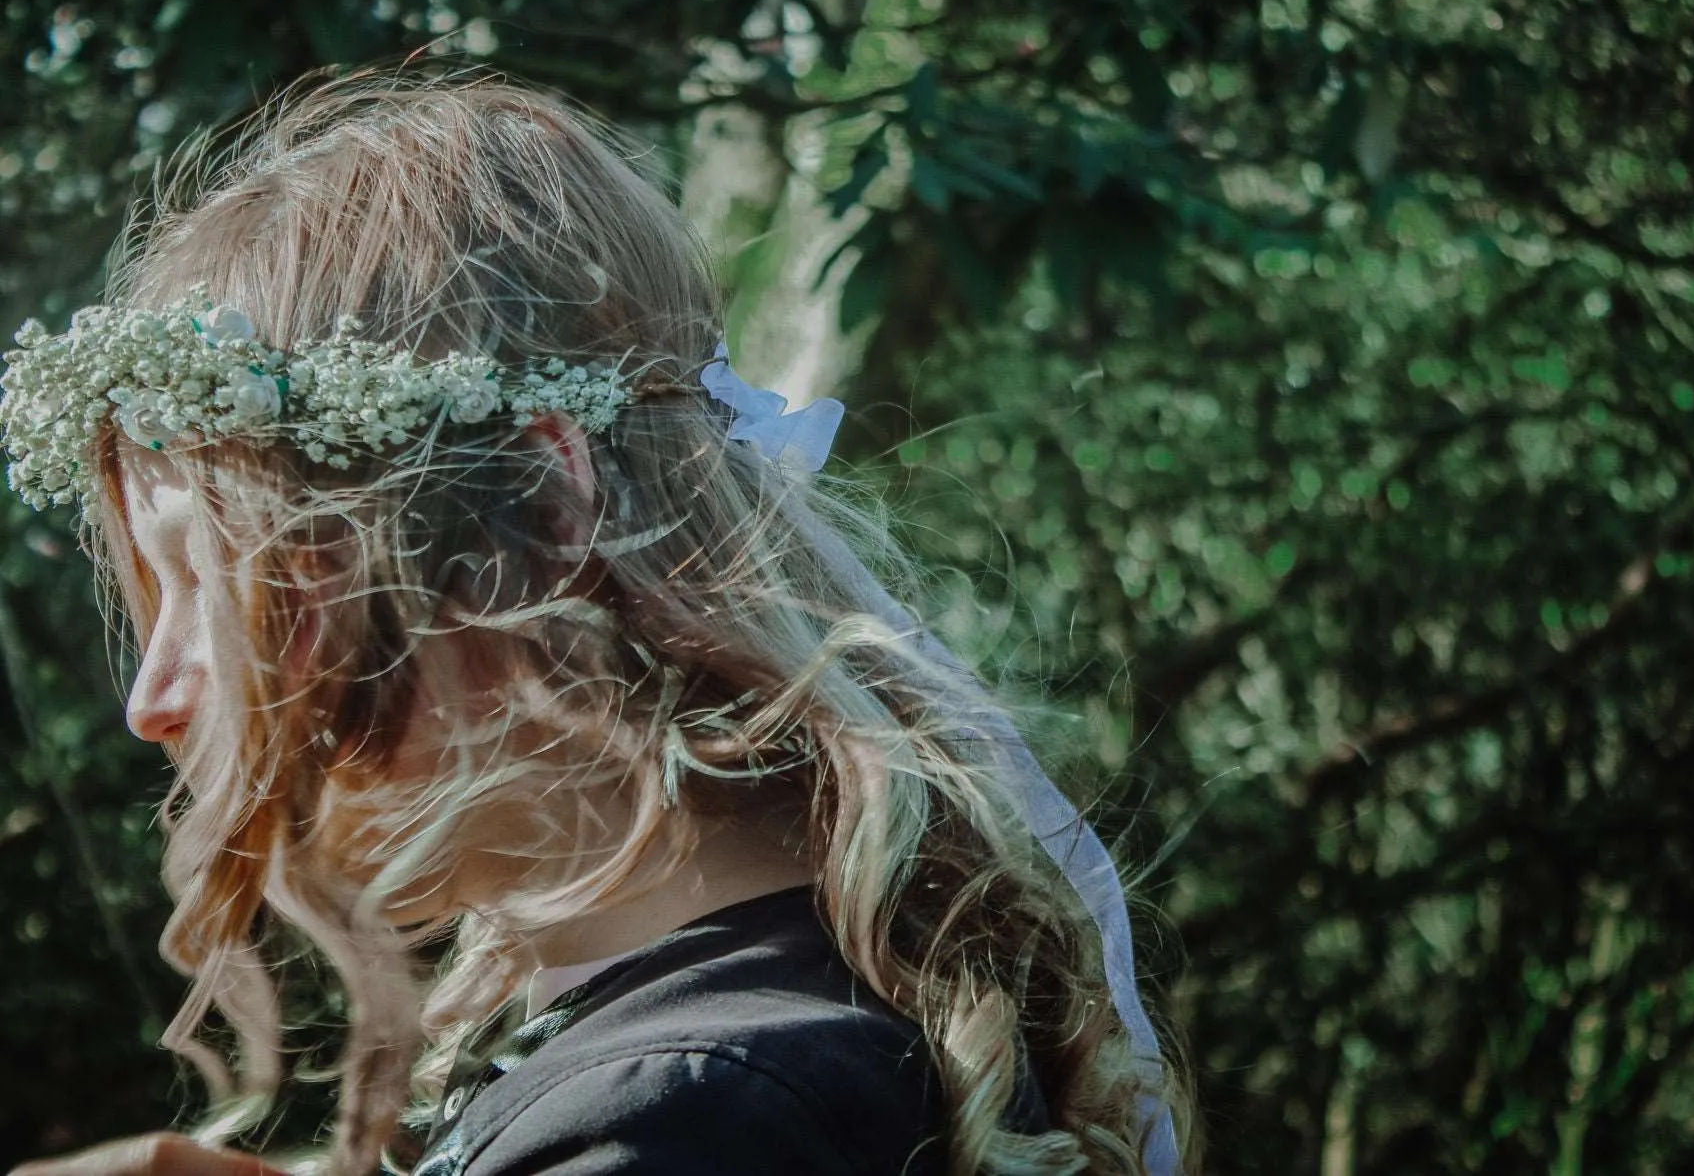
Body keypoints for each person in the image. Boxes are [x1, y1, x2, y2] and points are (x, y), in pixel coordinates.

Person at [0, 75, 1190, 1176]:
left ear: (546, 506)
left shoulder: (692, 1111)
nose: (152, 696)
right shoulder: (763, 1047)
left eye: (215, 581)